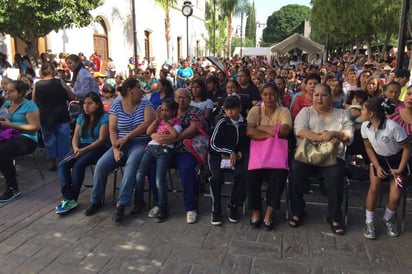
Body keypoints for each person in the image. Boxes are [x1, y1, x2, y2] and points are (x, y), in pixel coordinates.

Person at [84, 78, 155, 224]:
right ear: (130, 90)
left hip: (139, 142)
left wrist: (127, 137)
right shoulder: (117, 104)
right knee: (102, 165)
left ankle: (121, 204)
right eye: (138, 88)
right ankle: (96, 200)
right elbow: (112, 129)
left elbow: (148, 123)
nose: (141, 91)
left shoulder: (145, 103)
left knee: (131, 165)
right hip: (119, 143)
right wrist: (115, 149)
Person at [288, 84, 354, 235]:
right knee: (295, 171)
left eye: (323, 95)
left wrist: (334, 133)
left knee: (336, 176)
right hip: (307, 154)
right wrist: (323, 138)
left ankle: (334, 217)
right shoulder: (306, 112)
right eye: (316, 95)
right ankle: (298, 211)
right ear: (311, 97)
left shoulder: (342, 114)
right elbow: (300, 131)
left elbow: (348, 136)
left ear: (330, 97)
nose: (319, 98)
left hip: (332, 156)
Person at [150, 88, 204, 224]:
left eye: (185, 97)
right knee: (152, 168)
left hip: (184, 150)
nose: (181, 100)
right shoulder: (166, 110)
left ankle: (190, 207)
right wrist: (154, 136)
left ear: (190, 99)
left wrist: (174, 139)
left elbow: (194, 129)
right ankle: (160, 203)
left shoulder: (194, 112)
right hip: (164, 149)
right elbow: (154, 126)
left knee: (186, 169)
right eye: (178, 97)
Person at [361, 96, 411, 239]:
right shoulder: (365, 127)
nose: (361, 111)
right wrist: (376, 166)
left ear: (371, 114)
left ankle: (388, 219)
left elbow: (407, 149)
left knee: (395, 194)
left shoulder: (393, 127)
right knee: (374, 187)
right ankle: (369, 221)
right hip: (379, 160)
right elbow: (368, 148)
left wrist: (400, 169)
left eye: (363, 109)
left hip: (398, 161)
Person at [246, 83, 292, 230]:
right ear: (261, 96)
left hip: (276, 155)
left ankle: (269, 213)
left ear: (277, 95)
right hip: (258, 155)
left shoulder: (284, 111)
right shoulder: (256, 110)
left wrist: (260, 127)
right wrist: (274, 133)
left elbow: (285, 130)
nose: (268, 97)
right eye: (265, 94)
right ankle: (256, 212)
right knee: (250, 174)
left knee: (278, 176)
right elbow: (249, 132)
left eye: (272, 94)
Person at [56, 92, 110, 214]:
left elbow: (102, 140)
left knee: (79, 165)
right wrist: (75, 147)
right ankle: (68, 198)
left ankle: (73, 198)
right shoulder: (81, 117)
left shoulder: (105, 118)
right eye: (85, 103)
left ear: (97, 105)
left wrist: (83, 150)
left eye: (90, 103)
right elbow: (75, 136)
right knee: (63, 165)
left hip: (97, 147)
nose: (86, 106)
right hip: (80, 146)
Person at [134, 99, 182, 223]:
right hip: (151, 148)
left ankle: (162, 206)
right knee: (140, 174)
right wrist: (156, 119)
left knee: (159, 179)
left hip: (164, 150)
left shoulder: (176, 121)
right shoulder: (158, 120)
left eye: (167, 110)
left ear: (173, 111)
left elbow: (175, 135)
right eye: (162, 110)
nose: (164, 113)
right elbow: (149, 131)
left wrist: (166, 122)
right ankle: (139, 201)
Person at [209, 96, 248, 226]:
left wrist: (241, 151)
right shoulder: (222, 122)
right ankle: (216, 210)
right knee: (216, 178)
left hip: (236, 157)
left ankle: (233, 205)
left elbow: (247, 142)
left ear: (240, 108)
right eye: (227, 109)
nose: (230, 112)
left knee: (242, 174)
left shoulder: (244, 124)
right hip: (217, 155)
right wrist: (228, 151)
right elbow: (213, 144)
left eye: (233, 109)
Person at [0, 80, 40, 202]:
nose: (8, 93)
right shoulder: (6, 105)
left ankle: (13, 188)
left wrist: (11, 126)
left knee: (3, 151)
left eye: (11, 91)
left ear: (21, 93)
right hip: (7, 136)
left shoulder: (30, 106)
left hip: (27, 139)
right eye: (7, 91)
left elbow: (34, 127)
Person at [32, 62, 75, 171]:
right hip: (61, 114)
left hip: (45, 115)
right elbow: (71, 96)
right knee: (63, 138)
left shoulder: (37, 85)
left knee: (49, 139)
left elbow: (33, 102)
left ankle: (52, 161)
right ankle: (63, 161)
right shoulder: (59, 82)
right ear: (53, 71)